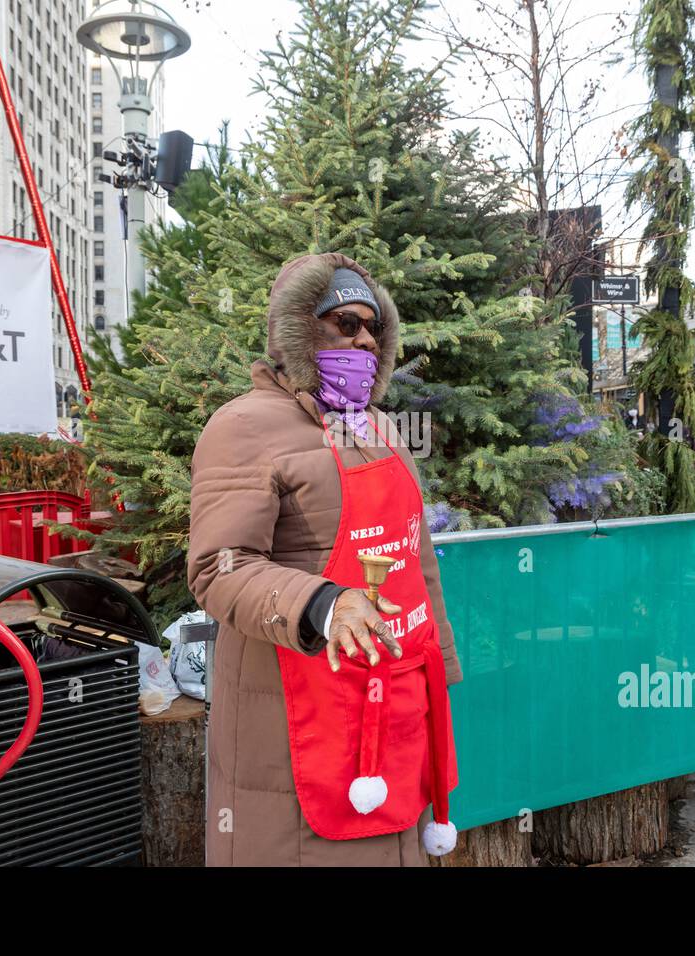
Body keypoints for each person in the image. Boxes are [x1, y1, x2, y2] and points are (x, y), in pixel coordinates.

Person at [187, 253, 462, 866]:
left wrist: (436, 669)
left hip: (394, 697)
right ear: (295, 332)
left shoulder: (382, 429)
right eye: (342, 322)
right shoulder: (242, 427)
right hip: (294, 710)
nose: (362, 337)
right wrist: (322, 604)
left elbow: (416, 558)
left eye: (372, 327)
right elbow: (217, 566)